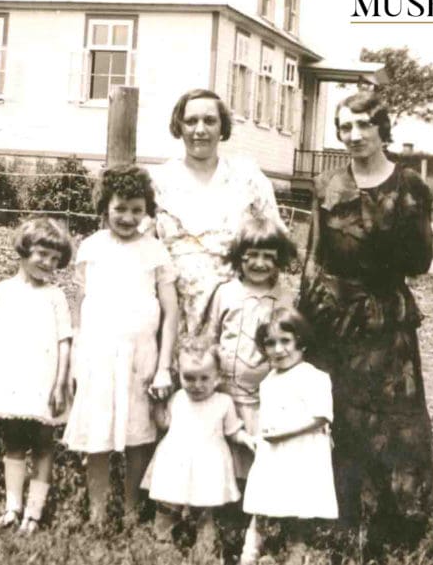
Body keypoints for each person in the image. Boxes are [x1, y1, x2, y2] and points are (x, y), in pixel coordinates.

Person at [297, 90, 433, 554]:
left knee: (394, 423)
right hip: (333, 319)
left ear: (381, 129)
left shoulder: (409, 186)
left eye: (363, 125)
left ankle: (394, 531)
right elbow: (314, 256)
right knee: (338, 419)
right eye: (345, 127)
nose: (353, 136)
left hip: (384, 320)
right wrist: (306, 319)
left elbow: (419, 261)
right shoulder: (327, 184)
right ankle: (336, 525)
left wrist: (382, 232)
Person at [63, 164, 179, 526]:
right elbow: (81, 302)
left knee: (138, 434)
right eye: (120, 208)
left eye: (136, 210)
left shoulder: (155, 251)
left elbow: (171, 311)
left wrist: (162, 366)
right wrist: (76, 353)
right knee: (96, 431)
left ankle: (131, 508)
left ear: (147, 212)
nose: (128, 217)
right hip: (97, 354)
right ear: (104, 207)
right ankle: (97, 511)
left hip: (140, 356)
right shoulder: (92, 247)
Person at [152, 88, 283, 340]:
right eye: (191, 121)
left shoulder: (247, 177)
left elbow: (275, 241)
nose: (200, 130)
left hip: (237, 312)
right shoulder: (159, 181)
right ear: (178, 126)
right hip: (172, 313)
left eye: (210, 121)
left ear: (222, 127)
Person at [0, 217, 74, 534]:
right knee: (13, 441)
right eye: (43, 254)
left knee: (44, 443)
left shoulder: (55, 296)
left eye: (56, 259)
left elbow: (64, 343)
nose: (49, 263)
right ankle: (12, 507)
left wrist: (60, 384)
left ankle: (35, 512)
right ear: (25, 249)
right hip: (10, 380)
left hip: (44, 382)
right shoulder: (0, 292)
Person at [200, 214, 297, 480]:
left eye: (268, 256)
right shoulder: (225, 292)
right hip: (226, 388)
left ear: (279, 260)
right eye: (251, 255)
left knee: (256, 447)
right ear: (239, 257)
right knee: (223, 445)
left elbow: (292, 344)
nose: (259, 263)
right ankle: (220, 498)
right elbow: (211, 335)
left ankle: (252, 503)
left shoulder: (284, 298)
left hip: (263, 393)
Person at [240, 307, 338, 565]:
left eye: (286, 341)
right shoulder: (269, 379)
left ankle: (296, 556)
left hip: (300, 453)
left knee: (298, 512)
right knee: (261, 506)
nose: (278, 349)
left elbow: (320, 416)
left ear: (301, 343)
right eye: (270, 343)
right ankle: (249, 555)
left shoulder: (313, 376)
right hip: (273, 454)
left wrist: (282, 433)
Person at [141, 343, 257, 555]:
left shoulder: (223, 402)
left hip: (208, 464)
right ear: (180, 375)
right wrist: (156, 403)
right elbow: (164, 423)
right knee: (167, 506)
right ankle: (162, 548)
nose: (197, 385)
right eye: (190, 378)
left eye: (204, 378)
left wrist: (247, 439)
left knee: (205, 510)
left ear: (218, 377)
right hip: (175, 461)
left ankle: (205, 553)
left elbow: (232, 431)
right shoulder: (177, 398)